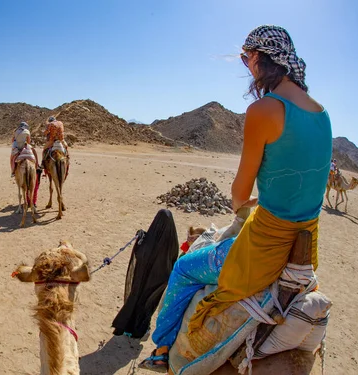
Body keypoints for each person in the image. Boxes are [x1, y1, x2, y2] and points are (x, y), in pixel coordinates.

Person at [140, 25, 332, 372]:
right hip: (305, 246)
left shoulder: (264, 110)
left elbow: (239, 195)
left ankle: (161, 349)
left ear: (259, 58)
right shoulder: (321, 113)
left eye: (246, 59)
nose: (246, 66)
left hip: (264, 250)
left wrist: (250, 201)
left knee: (184, 268)